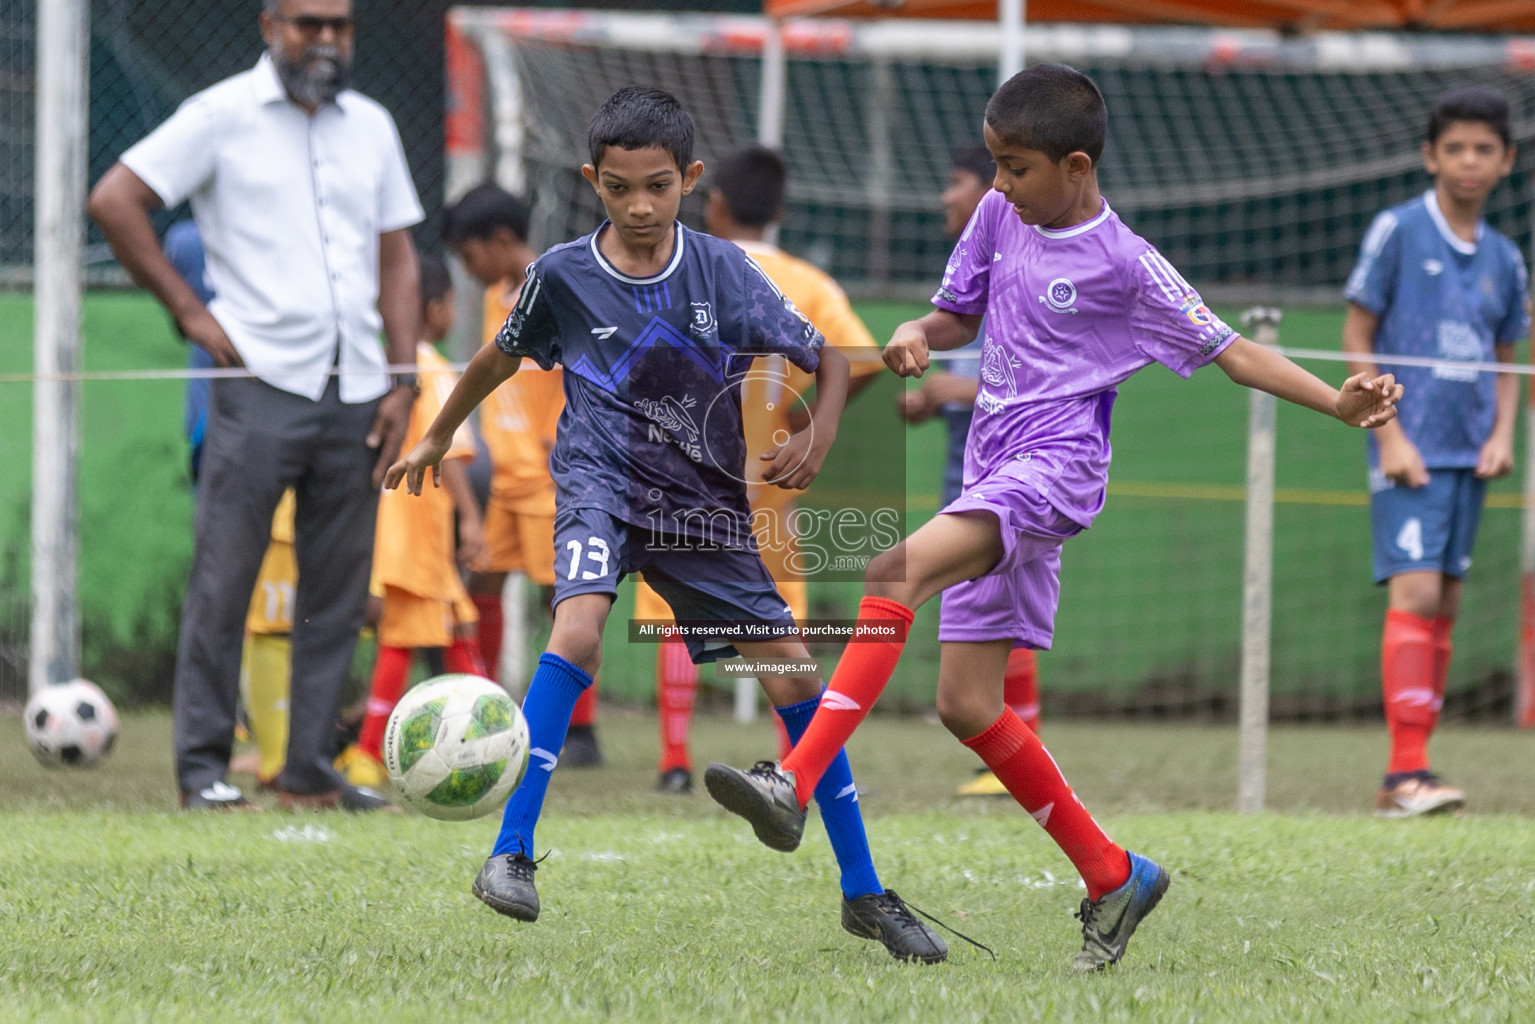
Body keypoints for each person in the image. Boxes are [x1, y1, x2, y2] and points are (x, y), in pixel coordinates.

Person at [704, 63, 1404, 972]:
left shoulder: (1128, 263)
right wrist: (920, 330)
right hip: (995, 465)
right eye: (993, 163)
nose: (996, 183)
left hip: (1055, 472)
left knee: (890, 573)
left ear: (1075, 165)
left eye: (1014, 166)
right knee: (965, 703)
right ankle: (1115, 876)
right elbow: (957, 314)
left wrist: (1337, 405)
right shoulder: (1003, 216)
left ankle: (791, 783)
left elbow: (1233, 353)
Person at [390, 86, 947, 963]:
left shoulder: (722, 270)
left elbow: (830, 360)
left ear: (689, 179)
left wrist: (820, 431)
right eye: (618, 189)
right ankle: (509, 856)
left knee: (798, 685)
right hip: (599, 484)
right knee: (575, 627)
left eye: (657, 186)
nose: (640, 207)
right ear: (592, 182)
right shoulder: (562, 274)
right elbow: (499, 354)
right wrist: (436, 432)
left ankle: (865, 892)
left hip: (701, 509)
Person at [88, 0, 422, 811]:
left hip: (358, 387)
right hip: (258, 383)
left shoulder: (371, 125)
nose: (326, 39)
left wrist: (404, 376)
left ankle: (307, 766)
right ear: (270, 26)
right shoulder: (219, 115)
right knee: (226, 578)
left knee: (338, 590)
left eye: (339, 26)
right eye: (309, 23)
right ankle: (203, 767)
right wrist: (191, 314)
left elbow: (398, 255)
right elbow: (115, 200)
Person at [637, 145, 884, 794]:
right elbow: (861, 358)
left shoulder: (678, 273)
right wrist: (801, 425)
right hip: (768, 476)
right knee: (777, 620)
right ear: (778, 211)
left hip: (685, 473)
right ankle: (796, 763)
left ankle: (671, 761)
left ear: (712, 202)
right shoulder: (809, 282)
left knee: (670, 610)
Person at [1341, 85, 1527, 818]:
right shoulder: (1396, 230)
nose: (1468, 161)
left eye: (1484, 149)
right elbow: (1357, 336)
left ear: (1506, 160)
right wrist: (1388, 435)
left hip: (1468, 452)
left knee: (1444, 598)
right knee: (1415, 593)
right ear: (1429, 156)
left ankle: (1414, 767)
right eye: (1454, 148)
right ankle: (1402, 774)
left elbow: (1509, 354)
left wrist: (1502, 434)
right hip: (1407, 448)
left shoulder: (1506, 259)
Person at [442, 184, 605, 767]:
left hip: (548, 480)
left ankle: (581, 730)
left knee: (565, 601)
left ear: (501, 240)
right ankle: (483, 709)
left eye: (469, 256)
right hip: (503, 478)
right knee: (482, 584)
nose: (469, 270)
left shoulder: (556, 287)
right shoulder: (496, 297)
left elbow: (592, 365)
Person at [897, 145, 1041, 799]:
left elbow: (1021, 375)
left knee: (977, 601)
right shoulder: (968, 271)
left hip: (1015, 469)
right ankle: (1008, 755)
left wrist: (944, 394)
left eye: (955, 183)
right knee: (973, 610)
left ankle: (1015, 748)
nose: (945, 197)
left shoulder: (1028, 261)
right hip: (968, 462)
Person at [335, 255, 488, 787]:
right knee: (407, 636)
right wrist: (470, 520)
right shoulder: (436, 369)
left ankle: (498, 734)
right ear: (436, 309)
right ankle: (368, 750)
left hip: (389, 525)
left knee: (451, 625)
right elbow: (447, 452)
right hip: (421, 526)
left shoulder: (379, 366)